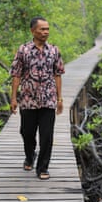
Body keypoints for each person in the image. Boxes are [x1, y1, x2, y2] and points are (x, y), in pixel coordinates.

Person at [9, 16, 65, 180]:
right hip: (28, 100)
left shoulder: (54, 50)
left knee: (47, 136)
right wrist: (13, 98)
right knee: (27, 133)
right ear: (33, 31)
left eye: (47, 29)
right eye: (42, 29)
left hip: (48, 100)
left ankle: (42, 168)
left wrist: (60, 99)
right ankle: (29, 155)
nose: (45, 32)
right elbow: (16, 75)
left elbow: (58, 75)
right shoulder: (23, 50)